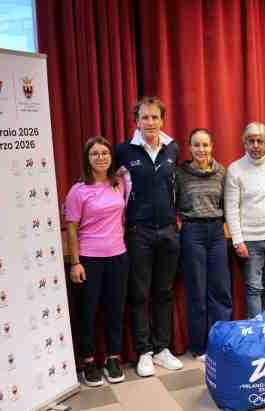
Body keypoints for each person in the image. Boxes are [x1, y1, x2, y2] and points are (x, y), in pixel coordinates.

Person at [114, 97, 183, 377]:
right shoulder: (123, 150)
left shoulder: (172, 148)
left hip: (168, 230)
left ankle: (162, 348)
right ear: (136, 121)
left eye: (155, 117)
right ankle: (144, 351)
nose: (150, 123)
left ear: (162, 120)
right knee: (140, 293)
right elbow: (105, 181)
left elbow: (177, 185)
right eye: (145, 118)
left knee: (164, 292)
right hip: (137, 231)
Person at [65, 136, 129, 386]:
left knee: (115, 310)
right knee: (87, 312)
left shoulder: (119, 183)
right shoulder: (78, 190)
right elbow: (71, 228)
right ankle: (89, 361)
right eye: (95, 154)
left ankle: (113, 358)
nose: (101, 157)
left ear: (111, 157)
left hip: (118, 256)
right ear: (87, 159)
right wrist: (75, 262)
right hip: (89, 259)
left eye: (105, 153)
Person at [175, 128, 232, 361]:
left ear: (212, 146)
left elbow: (227, 204)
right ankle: (200, 347)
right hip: (192, 231)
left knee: (220, 290)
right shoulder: (181, 174)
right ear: (189, 148)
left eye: (205, 145)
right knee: (197, 291)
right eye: (196, 145)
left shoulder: (222, 172)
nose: (201, 150)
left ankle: (221, 342)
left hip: (217, 231)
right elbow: (174, 204)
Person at [224, 122, 265, 318]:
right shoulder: (235, 169)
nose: (256, 145)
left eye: (260, 141)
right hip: (249, 240)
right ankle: (257, 333)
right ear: (244, 143)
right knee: (253, 288)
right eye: (251, 141)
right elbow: (231, 208)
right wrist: (237, 240)